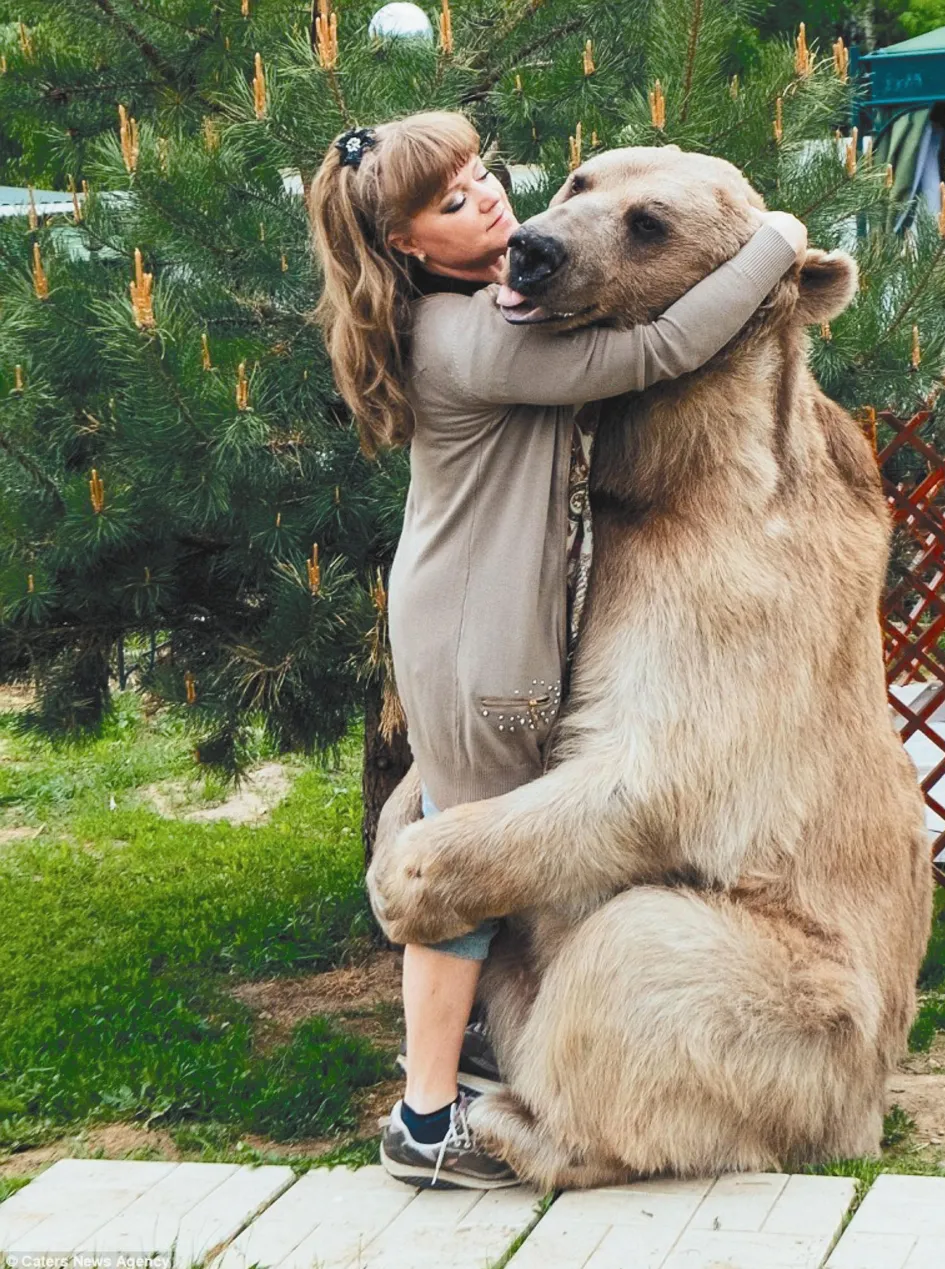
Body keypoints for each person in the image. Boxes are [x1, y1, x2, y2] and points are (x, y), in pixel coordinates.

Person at [308, 110, 806, 1190]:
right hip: (480, 636)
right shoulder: (480, 340)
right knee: (454, 876)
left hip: (462, 615)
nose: (494, 201)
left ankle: (473, 1058)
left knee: (464, 837)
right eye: (452, 203)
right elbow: (663, 348)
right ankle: (427, 1117)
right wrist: (778, 244)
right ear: (405, 245)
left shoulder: (477, 309)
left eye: (482, 175)